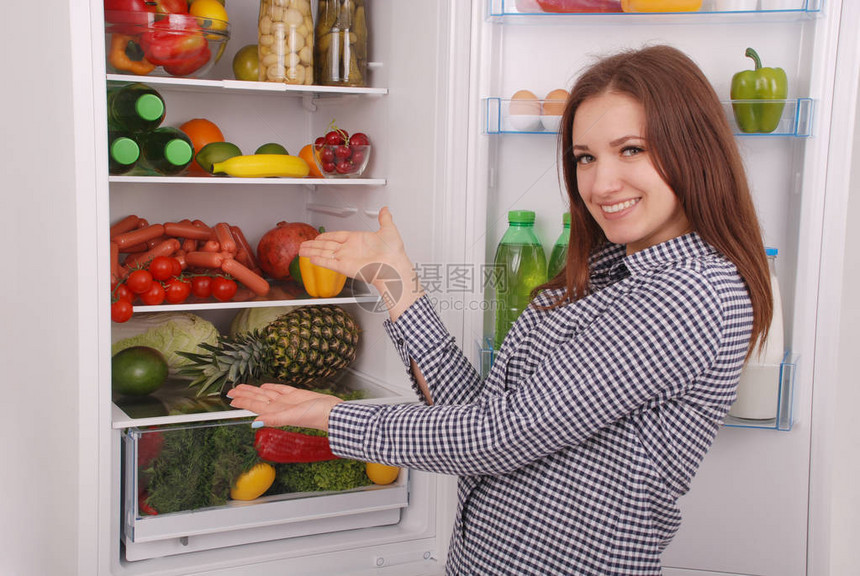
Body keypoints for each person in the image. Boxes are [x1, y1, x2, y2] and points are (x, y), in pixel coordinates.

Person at [227, 44, 773, 575]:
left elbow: (499, 435)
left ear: (693, 148)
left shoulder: (689, 294)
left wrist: (331, 416)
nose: (601, 183)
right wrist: (395, 283)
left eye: (631, 149)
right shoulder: (608, 276)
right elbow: (481, 417)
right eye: (585, 157)